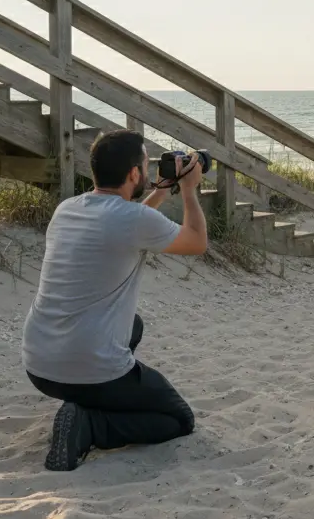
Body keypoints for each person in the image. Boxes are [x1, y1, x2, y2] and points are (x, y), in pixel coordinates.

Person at [22, 129, 209, 471]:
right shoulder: (133, 219)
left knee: (132, 325)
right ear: (135, 173)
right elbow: (196, 242)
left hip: (39, 365)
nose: (149, 169)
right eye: (146, 163)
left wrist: (159, 194)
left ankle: (84, 402)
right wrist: (188, 190)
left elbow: (128, 224)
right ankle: (91, 424)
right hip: (88, 366)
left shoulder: (68, 209)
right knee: (179, 419)